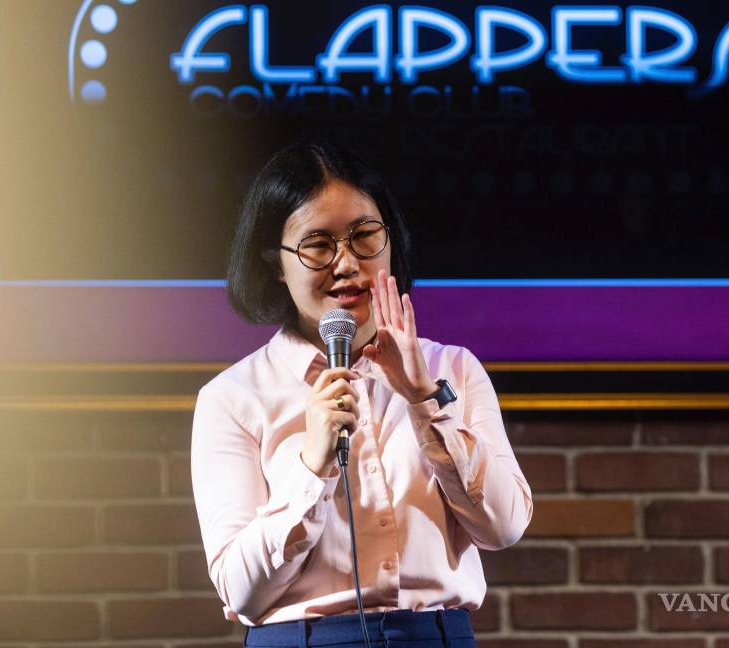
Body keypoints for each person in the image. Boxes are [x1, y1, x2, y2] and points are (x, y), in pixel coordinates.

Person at [190, 141, 533, 648]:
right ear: (276, 264)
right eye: (318, 245)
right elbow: (241, 593)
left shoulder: (452, 370)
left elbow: (503, 527)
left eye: (363, 236)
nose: (346, 263)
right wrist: (313, 464)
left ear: (390, 242)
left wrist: (423, 402)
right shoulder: (233, 398)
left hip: (434, 637)